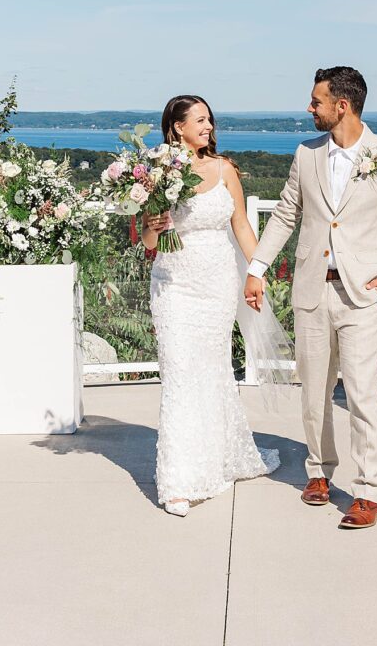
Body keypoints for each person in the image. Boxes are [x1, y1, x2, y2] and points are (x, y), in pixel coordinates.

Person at [244, 66, 377, 529]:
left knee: (363, 396)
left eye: (316, 101)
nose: (309, 108)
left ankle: (368, 491)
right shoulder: (306, 155)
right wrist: (257, 268)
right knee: (314, 393)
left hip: (363, 297)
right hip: (311, 291)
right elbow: (285, 214)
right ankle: (319, 474)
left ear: (342, 106)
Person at [142, 94, 283, 517]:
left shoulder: (225, 170)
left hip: (218, 282)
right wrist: (153, 225)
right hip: (173, 284)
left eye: (210, 120)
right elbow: (151, 243)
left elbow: (240, 224)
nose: (208, 126)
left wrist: (256, 272)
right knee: (179, 373)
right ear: (177, 127)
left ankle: (216, 457)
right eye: (199, 120)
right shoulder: (158, 173)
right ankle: (177, 481)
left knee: (212, 370)